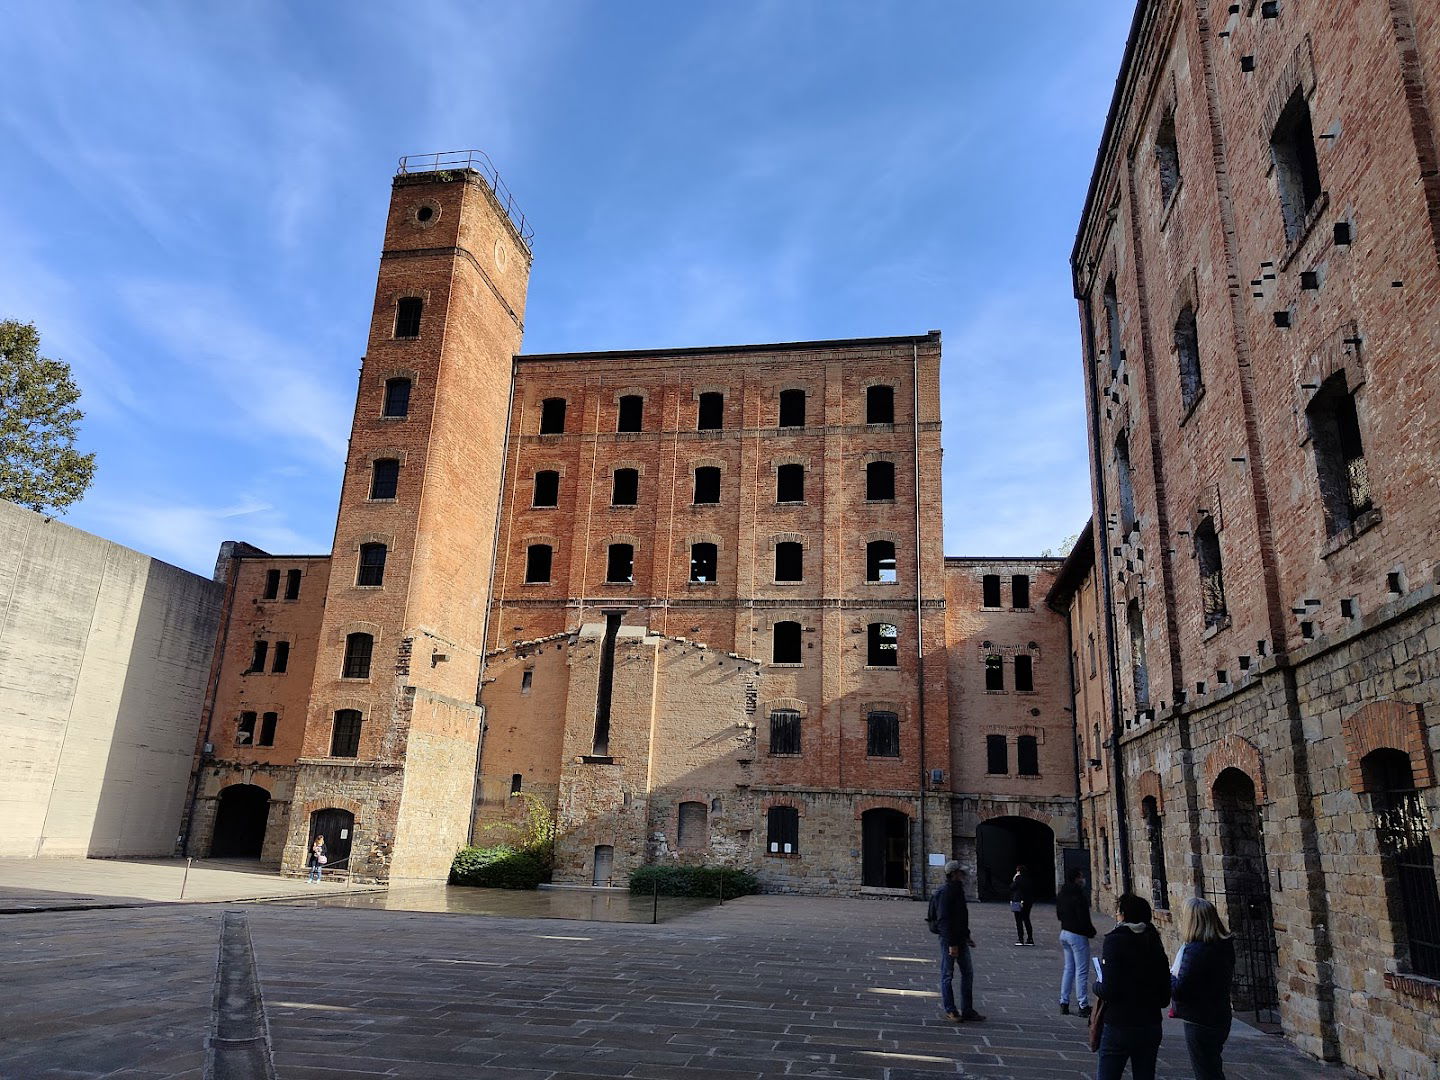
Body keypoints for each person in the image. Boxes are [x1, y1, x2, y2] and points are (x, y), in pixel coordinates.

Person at [1092, 893, 1171, 1080]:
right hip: (1150, 1023)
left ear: (1124, 915)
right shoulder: (1154, 940)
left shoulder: (1116, 940)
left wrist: (1096, 986)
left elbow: (1109, 989)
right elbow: (1164, 996)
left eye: (1119, 912)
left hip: (1120, 1023)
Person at [1171, 897, 1236, 1080]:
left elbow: (1180, 989)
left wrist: (1169, 976)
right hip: (1220, 1015)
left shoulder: (1196, 951)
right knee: (1212, 1067)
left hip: (1200, 1019)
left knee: (1206, 1072)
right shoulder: (1223, 945)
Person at [934, 861, 986, 1022]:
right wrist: (951, 944)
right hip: (950, 941)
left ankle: (967, 1009)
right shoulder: (947, 892)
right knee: (947, 975)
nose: (963, 875)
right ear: (954, 874)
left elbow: (961, 917)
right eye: (960, 873)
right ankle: (951, 1010)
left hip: (961, 939)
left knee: (968, 973)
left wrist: (967, 936)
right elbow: (944, 920)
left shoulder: (958, 890)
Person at [1056, 866, 1097, 1017]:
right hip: (1077, 935)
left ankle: (1064, 1002)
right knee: (1081, 971)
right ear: (1076, 878)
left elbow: (1059, 915)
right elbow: (1083, 917)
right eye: (1080, 876)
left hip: (1064, 932)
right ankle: (1083, 1004)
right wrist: (1090, 931)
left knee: (1069, 969)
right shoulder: (1078, 895)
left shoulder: (1062, 894)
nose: (1082, 879)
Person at [1010, 864, 1035, 945]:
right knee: (1027, 919)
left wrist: (1014, 878)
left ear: (1018, 871)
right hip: (1028, 901)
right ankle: (1030, 939)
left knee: (1018, 921)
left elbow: (1012, 887)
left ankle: (1020, 939)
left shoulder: (1017, 879)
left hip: (1017, 901)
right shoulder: (1029, 879)